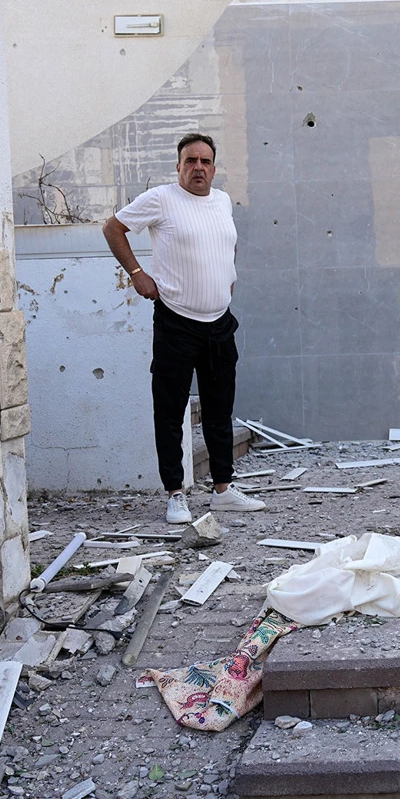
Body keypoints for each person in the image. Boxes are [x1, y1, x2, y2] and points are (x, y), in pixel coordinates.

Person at [103, 133, 268, 523]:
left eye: (206, 161)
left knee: (219, 408)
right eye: (190, 160)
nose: (198, 167)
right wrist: (137, 273)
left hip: (219, 324)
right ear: (178, 166)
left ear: (214, 167)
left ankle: (223, 489)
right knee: (170, 409)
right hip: (177, 322)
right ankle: (175, 494)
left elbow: (227, 243)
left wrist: (228, 277)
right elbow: (114, 228)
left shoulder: (223, 200)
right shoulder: (161, 199)